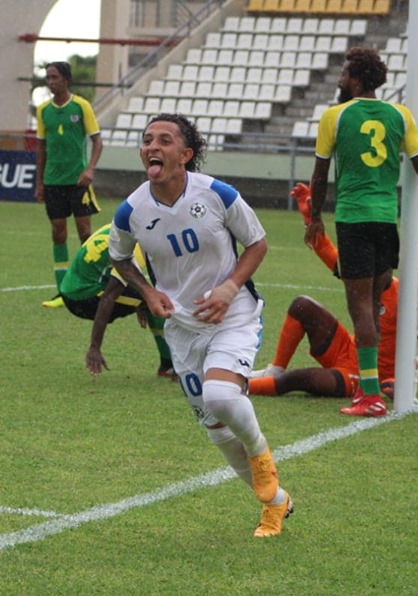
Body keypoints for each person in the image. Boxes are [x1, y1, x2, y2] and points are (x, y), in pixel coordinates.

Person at [107, 113, 293, 538]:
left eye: (165, 140)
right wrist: (147, 292)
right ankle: (275, 504)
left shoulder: (217, 194)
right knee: (216, 430)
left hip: (233, 314)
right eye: (147, 140)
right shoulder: (131, 210)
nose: (153, 146)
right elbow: (119, 257)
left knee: (222, 395)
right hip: (182, 327)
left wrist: (230, 287)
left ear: (186, 155)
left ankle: (262, 456)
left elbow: (257, 242)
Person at [307, 47, 418, 417]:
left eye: (345, 74)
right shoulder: (400, 115)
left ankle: (369, 396)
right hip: (386, 219)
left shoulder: (335, 116)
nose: (339, 79)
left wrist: (315, 216)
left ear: (358, 78)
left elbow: (319, 175)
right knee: (375, 306)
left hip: (353, 218)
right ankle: (375, 386)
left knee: (360, 307)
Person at [249, 184, 418, 399]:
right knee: (301, 305)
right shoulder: (361, 277)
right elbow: (326, 251)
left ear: (390, 263)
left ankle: (243, 387)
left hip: (362, 375)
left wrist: (405, 380)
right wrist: (310, 218)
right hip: (344, 349)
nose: (369, 266)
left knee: (300, 379)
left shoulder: (404, 298)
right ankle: (275, 369)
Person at [58, 222, 176, 379]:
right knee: (158, 303)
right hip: (84, 298)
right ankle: (169, 366)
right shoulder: (133, 251)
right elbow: (108, 297)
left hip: (70, 289)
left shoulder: (116, 228)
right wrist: (95, 347)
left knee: (148, 299)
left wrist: (139, 300)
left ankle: (168, 365)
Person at [35, 61, 104, 309]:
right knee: (58, 234)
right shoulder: (43, 110)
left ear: (66, 79)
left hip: (77, 182)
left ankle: (92, 286)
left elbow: (97, 142)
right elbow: (41, 147)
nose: (50, 82)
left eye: (54, 77)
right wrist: (40, 182)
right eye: (48, 78)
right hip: (53, 182)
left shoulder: (81, 106)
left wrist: (89, 170)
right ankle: (63, 292)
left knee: (86, 234)